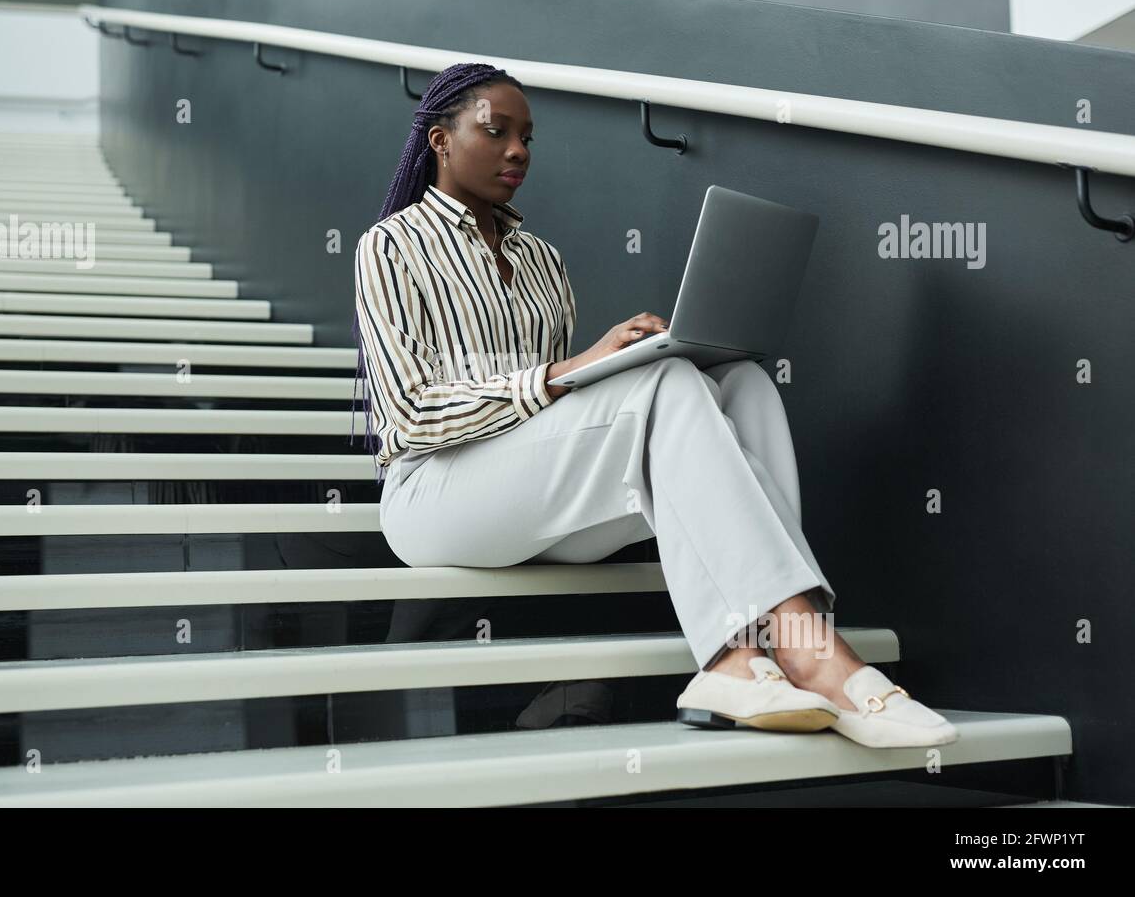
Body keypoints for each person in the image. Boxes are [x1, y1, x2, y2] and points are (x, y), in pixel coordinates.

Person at [350, 62, 956, 749]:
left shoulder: (543, 260)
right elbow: (409, 415)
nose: (518, 150)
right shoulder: (389, 246)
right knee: (662, 388)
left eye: (527, 137)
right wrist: (571, 371)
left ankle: (745, 657)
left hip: (528, 495)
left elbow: (551, 427)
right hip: (434, 496)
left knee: (740, 382)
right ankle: (804, 650)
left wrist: (619, 365)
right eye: (496, 131)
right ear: (441, 140)